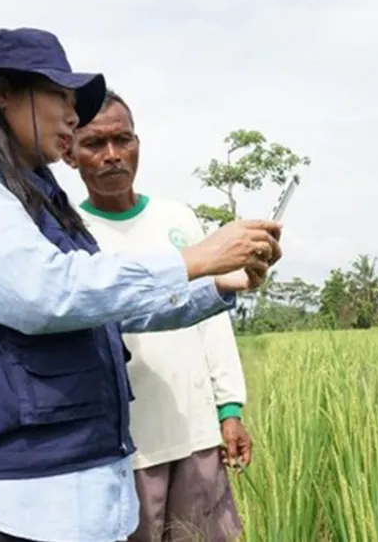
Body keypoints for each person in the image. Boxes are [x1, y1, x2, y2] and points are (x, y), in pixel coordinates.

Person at [0, 27, 282, 542]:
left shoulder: (34, 199)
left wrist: (223, 284)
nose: (72, 114)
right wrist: (193, 259)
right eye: (60, 97)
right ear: (4, 94)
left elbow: (107, 309)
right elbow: (48, 292)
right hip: (11, 498)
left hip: (69, 489)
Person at [63, 90, 251, 542]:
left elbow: (210, 315)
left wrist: (229, 407)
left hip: (195, 430)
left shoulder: (179, 218)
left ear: (138, 144)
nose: (111, 156)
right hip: (123, 446)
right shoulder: (69, 230)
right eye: (93, 144)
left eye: (122, 140)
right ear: (69, 153)